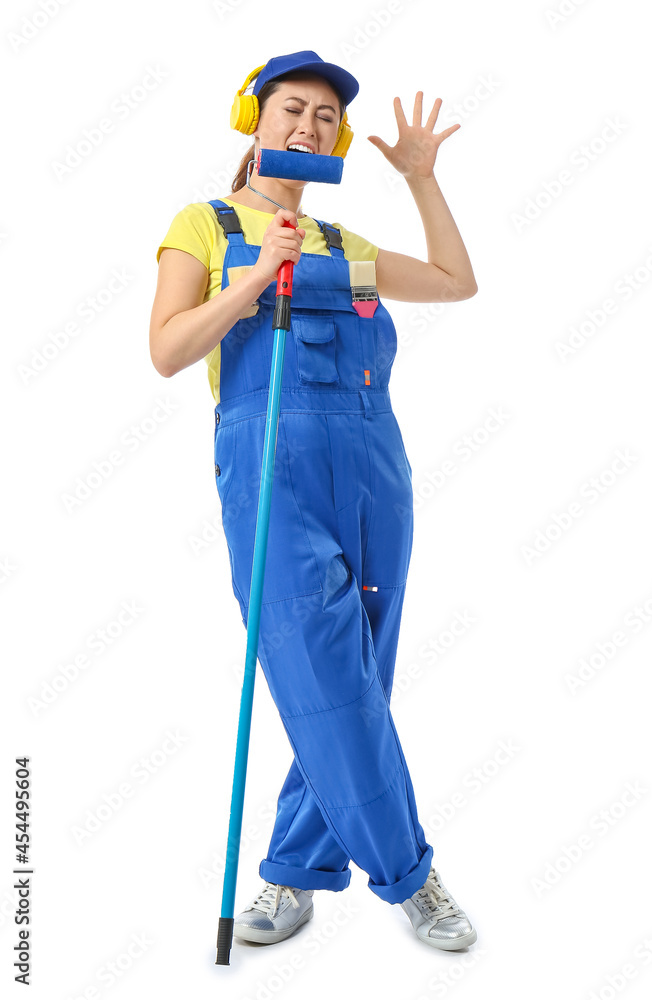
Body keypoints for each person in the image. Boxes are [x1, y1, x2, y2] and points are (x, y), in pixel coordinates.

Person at [150, 50, 479, 952]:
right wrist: (257, 278)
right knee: (322, 677)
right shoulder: (206, 226)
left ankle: (292, 874)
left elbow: (457, 282)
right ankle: (412, 875)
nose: (310, 125)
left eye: (327, 118)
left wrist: (421, 181)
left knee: (357, 685)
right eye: (293, 109)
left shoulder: (345, 249)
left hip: (375, 468)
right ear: (253, 123)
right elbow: (169, 350)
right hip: (267, 472)